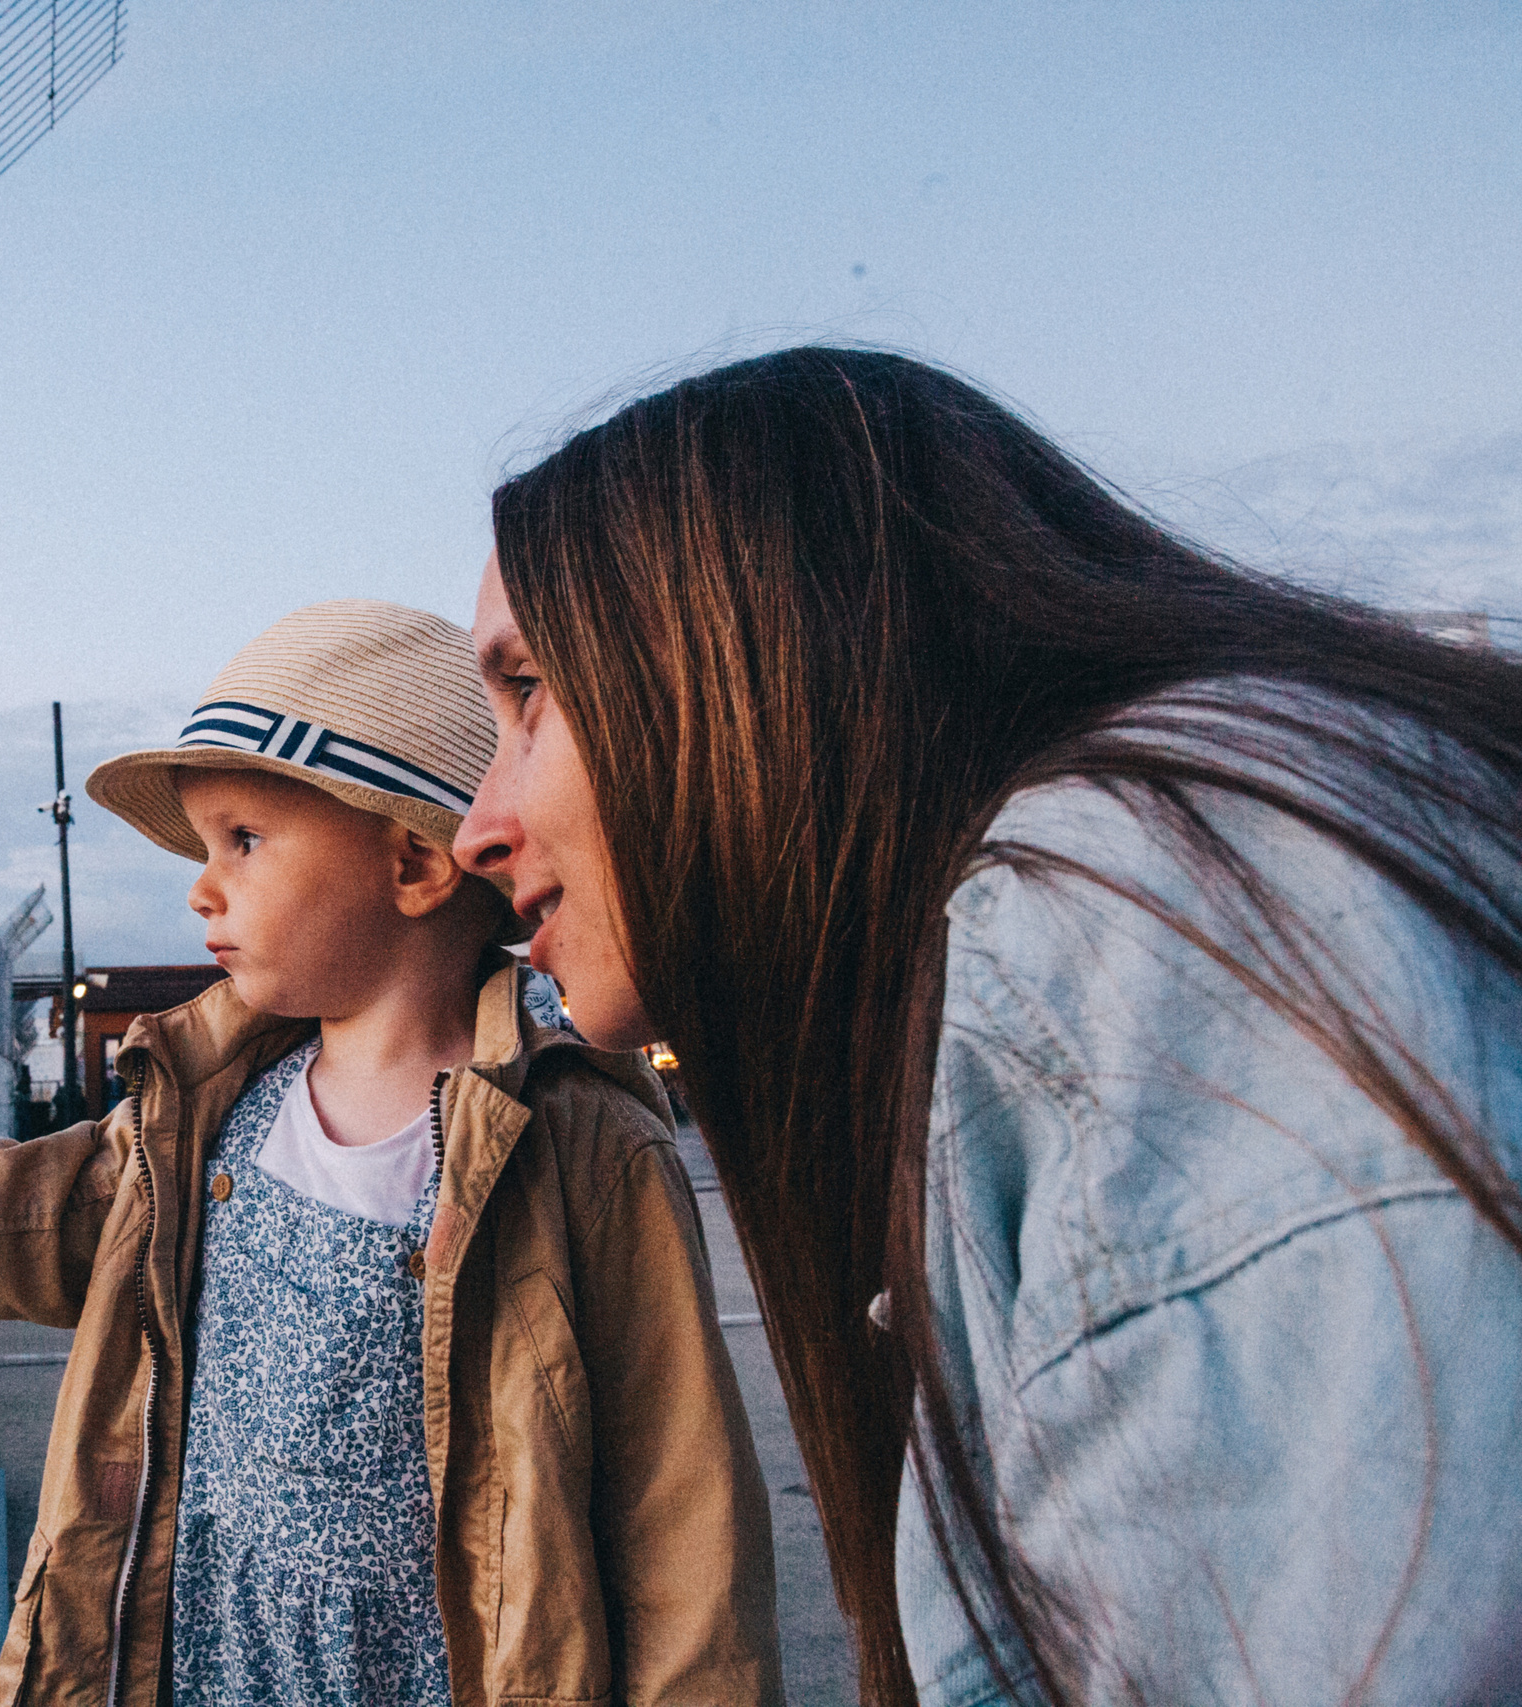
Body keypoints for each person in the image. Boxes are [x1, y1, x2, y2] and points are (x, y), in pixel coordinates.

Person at [452, 347, 1522, 1707]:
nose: (478, 823)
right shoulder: (1120, 910)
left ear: (760, 640)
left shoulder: (1149, 907)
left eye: (531, 689)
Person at [0, 601, 783, 1706]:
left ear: (415, 869)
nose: (201, 884)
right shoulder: (213, 1111)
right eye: (201, 845)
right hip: (205, 1643)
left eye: (245, 838)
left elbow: (678, 1508)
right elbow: (10, 1214)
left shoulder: (577, 1139)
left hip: (446, 1662)